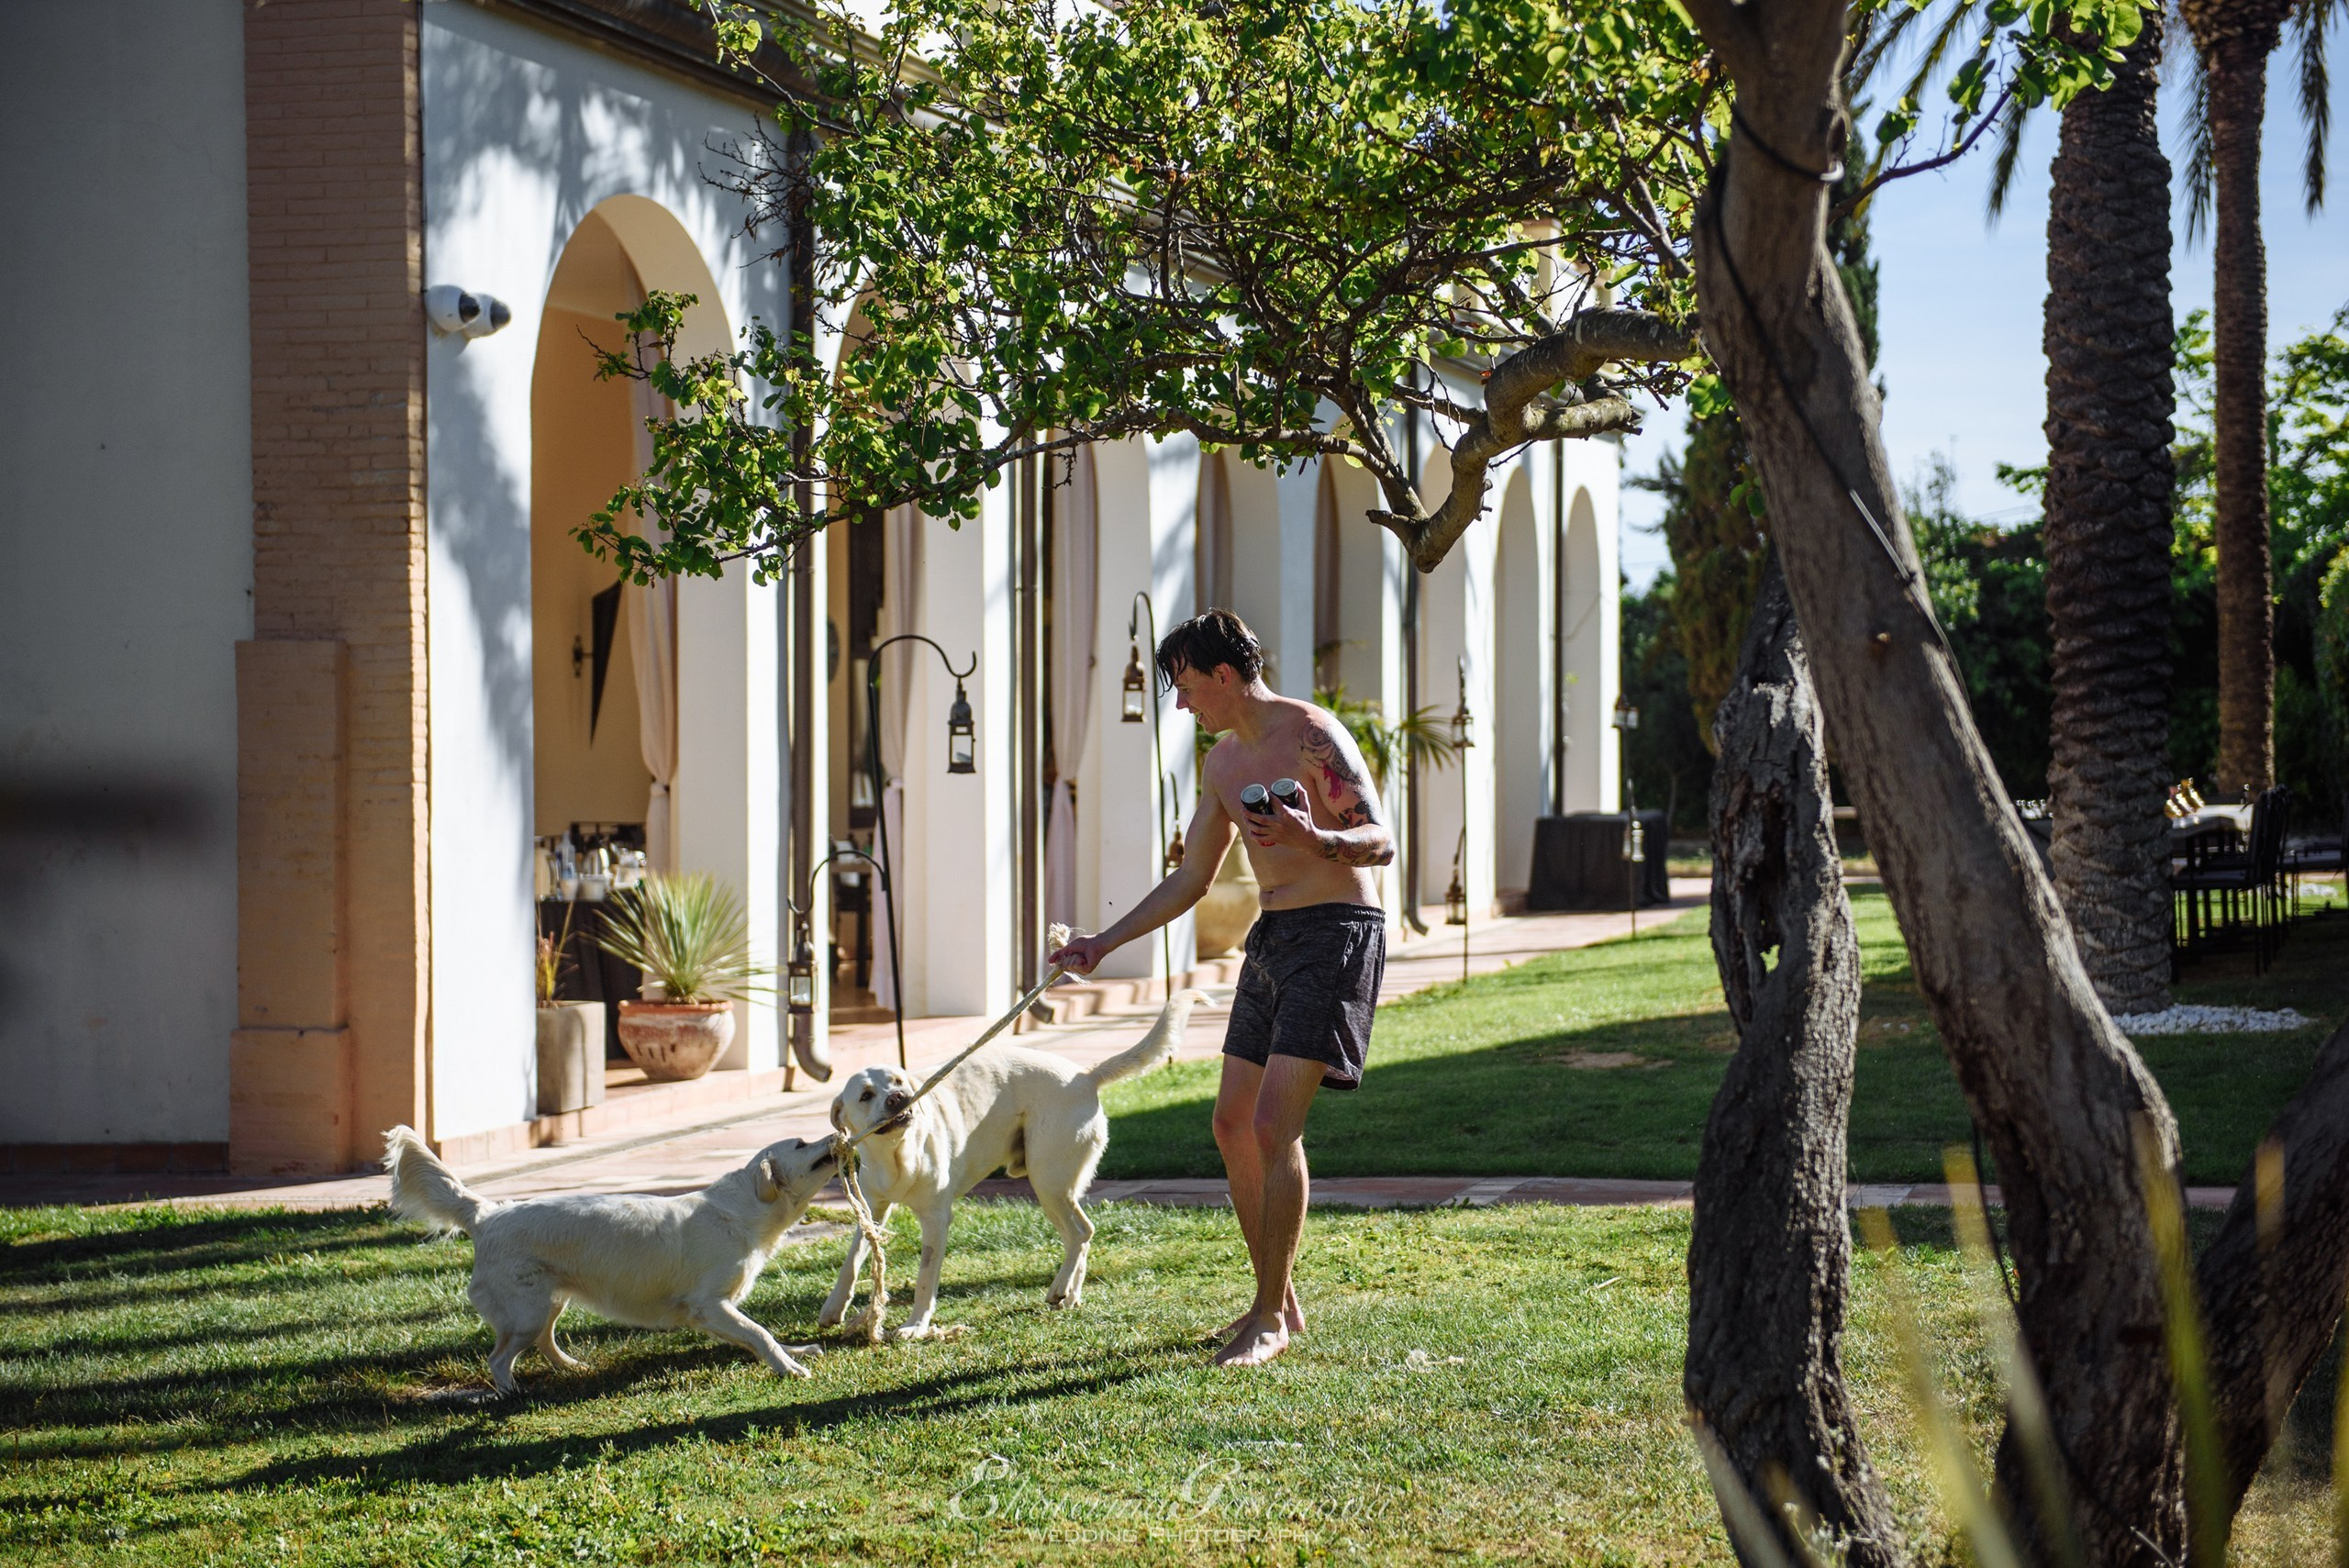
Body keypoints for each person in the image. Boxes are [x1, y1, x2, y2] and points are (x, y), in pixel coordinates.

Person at [1049, 609, 1392, 1367]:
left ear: (1226, 677)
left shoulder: (1312, 736)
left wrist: (1317, 840)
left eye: (1188, 687)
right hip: (1271, 941)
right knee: (1232, 1122)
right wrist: (1102, 944)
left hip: (1336, 934)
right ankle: (1280, 1301)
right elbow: (1192, 878)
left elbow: (1380, 838)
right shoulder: (1223, 764)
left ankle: (1267, 1318)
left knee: (1275, 1126)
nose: (1182, 704)